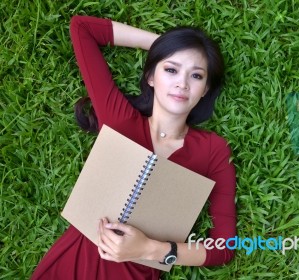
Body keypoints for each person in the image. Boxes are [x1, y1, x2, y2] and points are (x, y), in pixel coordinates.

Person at [31, 15, 236, 280]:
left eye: (196, 75)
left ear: (205, 89)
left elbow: (225, 248)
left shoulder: (213, 150)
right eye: (171, 69)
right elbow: (82, 28)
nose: (182, 83)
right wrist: (164, 46)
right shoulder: (119, 120)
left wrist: (153, 249)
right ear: (151, 77)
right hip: (71, 264)